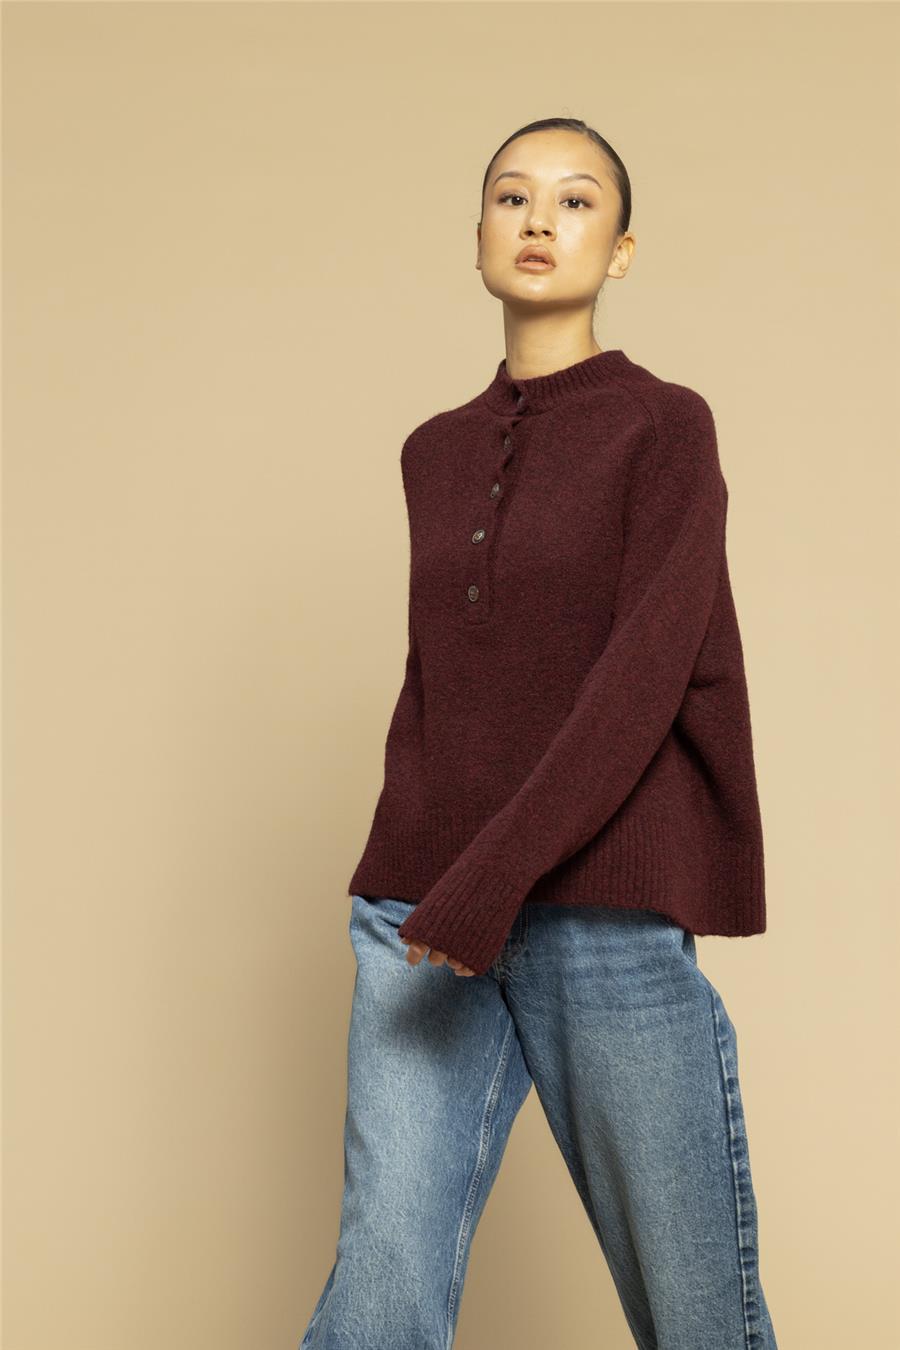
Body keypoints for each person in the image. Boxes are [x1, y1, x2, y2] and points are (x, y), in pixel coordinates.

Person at [299, 117, 778, 1350]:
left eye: (575, 201)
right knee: (379, 1296)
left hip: (599, 912)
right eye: (512, 197)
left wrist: (494, 880)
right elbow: (436, 688)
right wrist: (414, 879)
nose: (538, 221)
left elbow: (642, 680)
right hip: (421, 915)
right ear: (476, 237)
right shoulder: (433, 452)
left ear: (621, 250)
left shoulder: (665, 427)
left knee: (697, 1316)